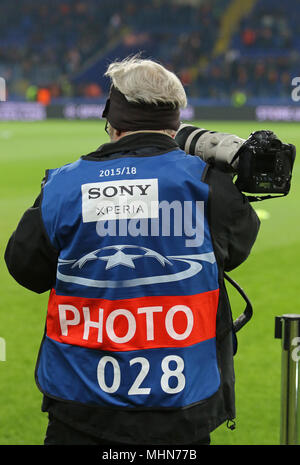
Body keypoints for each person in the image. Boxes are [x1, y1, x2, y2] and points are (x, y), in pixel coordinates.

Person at [5, 56, 260, 446]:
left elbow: (25, 268)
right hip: (181, 409)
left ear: (113, 117)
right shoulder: (209, 183)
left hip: (80, 409)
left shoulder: (63, 186)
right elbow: (237, 247)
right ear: (175, 120)